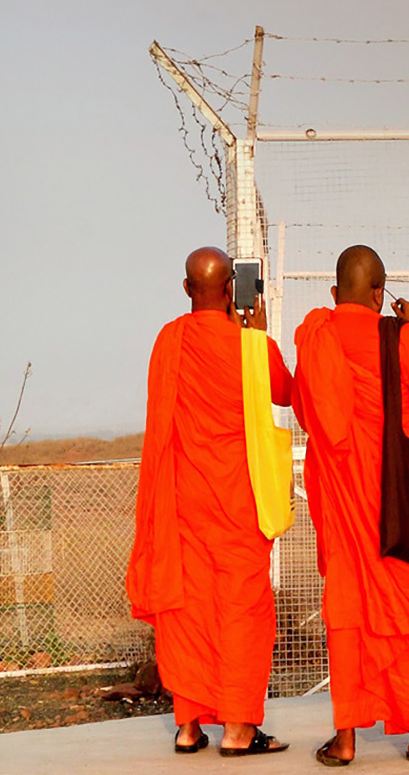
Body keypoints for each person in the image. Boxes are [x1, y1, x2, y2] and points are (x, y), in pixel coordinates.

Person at [293, 245, 409, 763]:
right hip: (395, 503)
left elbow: (308, 411)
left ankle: (347, 738)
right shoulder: (397, 337)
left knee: (348, 610)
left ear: (335, 294)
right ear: (381, 294)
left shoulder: (316, 336)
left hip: (341, 503)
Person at [127, 247, 293, 756]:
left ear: (185, 289)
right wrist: (259, 334)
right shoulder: (251, 347)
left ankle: (188, 725)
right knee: (241, 611)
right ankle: (239, 730)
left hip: (182, 503)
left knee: (189, 609)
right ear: (231, 291)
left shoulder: (169, 341)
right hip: (239, 505)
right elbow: (286, 394)